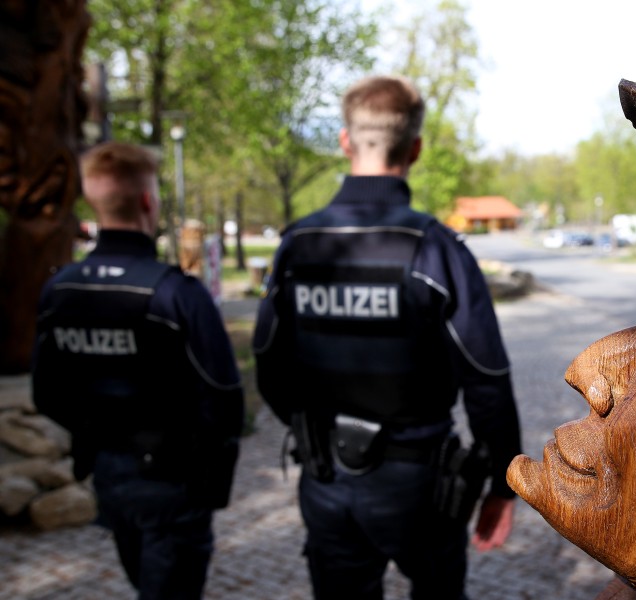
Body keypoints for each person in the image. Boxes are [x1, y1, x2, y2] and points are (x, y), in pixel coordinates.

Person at [253, 74, 522, 600]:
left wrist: (311, 430)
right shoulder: (436, 250)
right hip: (418, 484)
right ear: (415, 149)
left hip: (326, 478)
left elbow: (266, 362)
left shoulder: (297, 246)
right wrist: (500, 484)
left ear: (345, 141)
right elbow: (486, 377)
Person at [31, 141, 245, 600]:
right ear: (149, 201)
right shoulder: (175, 295)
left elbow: (47, 393)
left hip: (109, 475)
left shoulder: (59, 290)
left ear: (95, 202)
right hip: (174, 481)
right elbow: (224, 397)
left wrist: (97, 431)